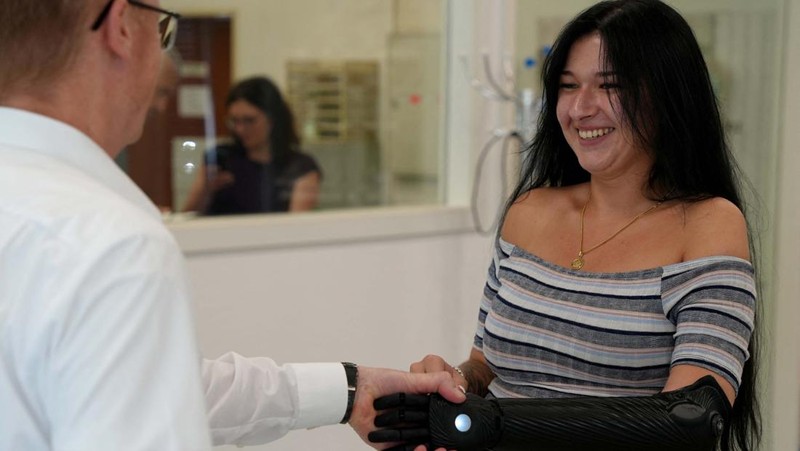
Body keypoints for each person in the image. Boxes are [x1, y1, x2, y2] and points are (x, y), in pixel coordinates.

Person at [0, 1, 465, 450]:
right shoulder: (108, 244)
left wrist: (349, 388)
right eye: (162, 29)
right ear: (121, 26)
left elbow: (160, 385)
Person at [372, 1, 760, 450]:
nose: (580, 108)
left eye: (609, 86)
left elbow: (689, 420)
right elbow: (486, 367)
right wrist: (450, 383)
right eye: (567, 86)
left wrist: (494, 424)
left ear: (669, 94)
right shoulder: (529, 211)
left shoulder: (709, 225)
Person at [182, 76, 322, 215]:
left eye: (249, 121)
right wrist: (206, 190)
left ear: (272, 119)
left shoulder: (299, 167)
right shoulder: (221, 158)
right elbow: (188, 216)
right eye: (234, 121)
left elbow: (296, 226)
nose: (240, 129)